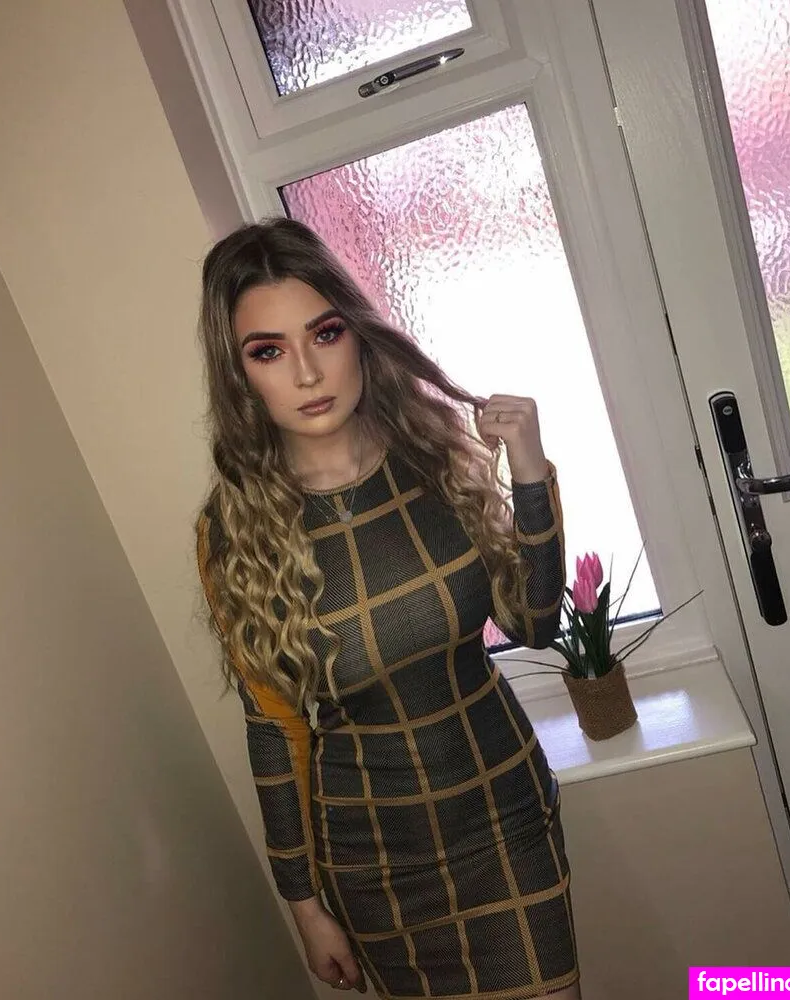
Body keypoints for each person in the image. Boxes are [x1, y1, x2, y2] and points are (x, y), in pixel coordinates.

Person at [194, 217, 580, 1000]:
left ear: (356, 333)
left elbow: (537, 626)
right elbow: (275, 730)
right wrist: (304, 904)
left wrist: (531, 474)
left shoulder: (434, 460)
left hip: (504, 819)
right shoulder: (234, 532)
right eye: (268, 351)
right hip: (371, 862)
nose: (308, 372)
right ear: (239, 375)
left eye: (324, 333)